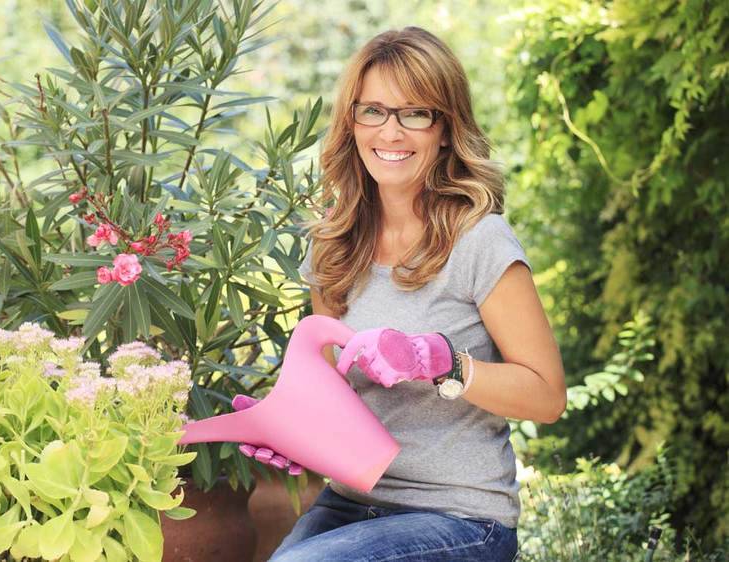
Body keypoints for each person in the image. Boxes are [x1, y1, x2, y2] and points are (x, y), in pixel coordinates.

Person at [233, 26, 567, 561]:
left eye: (415, 112)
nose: (391, 132)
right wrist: (288, 429)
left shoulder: (478, 240)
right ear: (352, 122)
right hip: (352, 501)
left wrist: (440, 363)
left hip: (461, 517)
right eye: (373, 111)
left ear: (445, 127)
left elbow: (547, 397)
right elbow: (337, 395)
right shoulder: (335, 243)